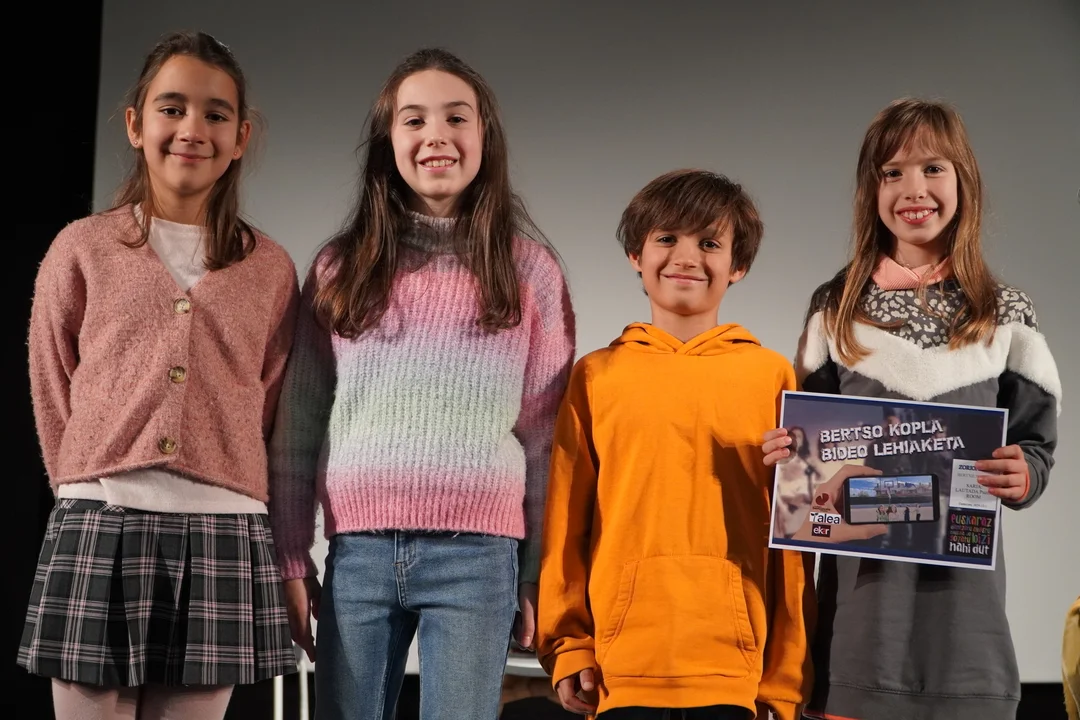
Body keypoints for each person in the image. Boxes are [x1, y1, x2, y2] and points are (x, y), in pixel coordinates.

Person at [267, 47, 575, 720]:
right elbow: (297, 427)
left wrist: (536, 570)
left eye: (456, 118)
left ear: (484, 137)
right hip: (360, 557)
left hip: (479, 562)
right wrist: (290, 557)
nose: (436, 135)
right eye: (414, 120)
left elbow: (545, 438)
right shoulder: (339, 267)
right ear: (389, 141)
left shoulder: (531, 272)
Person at [19, 30, 299, 720]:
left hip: (224, 530)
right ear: (136, 124)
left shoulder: (269, 268)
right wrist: (83, 483)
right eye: (172, 109)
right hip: (100, 518)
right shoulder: (83, 247)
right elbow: (53, 383)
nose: (192, 129)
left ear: (240, 137)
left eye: (215, 114)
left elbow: (270, 399)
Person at [762, 98, 1061, 720]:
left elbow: (1035, 447)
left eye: (933, 168)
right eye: (892, 172)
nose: (913, 189)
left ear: (963, 180)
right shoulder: (835, 308)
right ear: (871, 190)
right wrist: (789, 459)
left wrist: (1025, 474)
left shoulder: (1005, 313)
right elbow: (809, 463)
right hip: (860, 625)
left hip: (967, 624)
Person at [537, 169, 814, 720]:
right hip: (620, 668)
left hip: (737, 672)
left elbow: (793, 542)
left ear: (737, 265)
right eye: (666, 238)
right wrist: (569, 646)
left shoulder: (771, 376)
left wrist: (784, 680)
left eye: (709, 243)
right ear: (636, 255)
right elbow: (566, 523)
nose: (686, 257)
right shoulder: (596, 376)